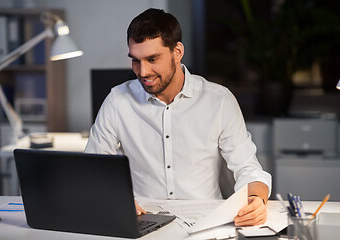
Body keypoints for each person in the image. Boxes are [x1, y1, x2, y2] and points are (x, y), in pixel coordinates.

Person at [85, 8, 271, 227]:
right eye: (135, 60)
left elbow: (248, 169)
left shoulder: (219, 101)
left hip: (208, 221)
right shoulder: (118, 101)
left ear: (178, 52)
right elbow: (92, 169)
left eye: (152, 59)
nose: (143, 71)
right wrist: (114, 198)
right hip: (142, 220)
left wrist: (256, 200)